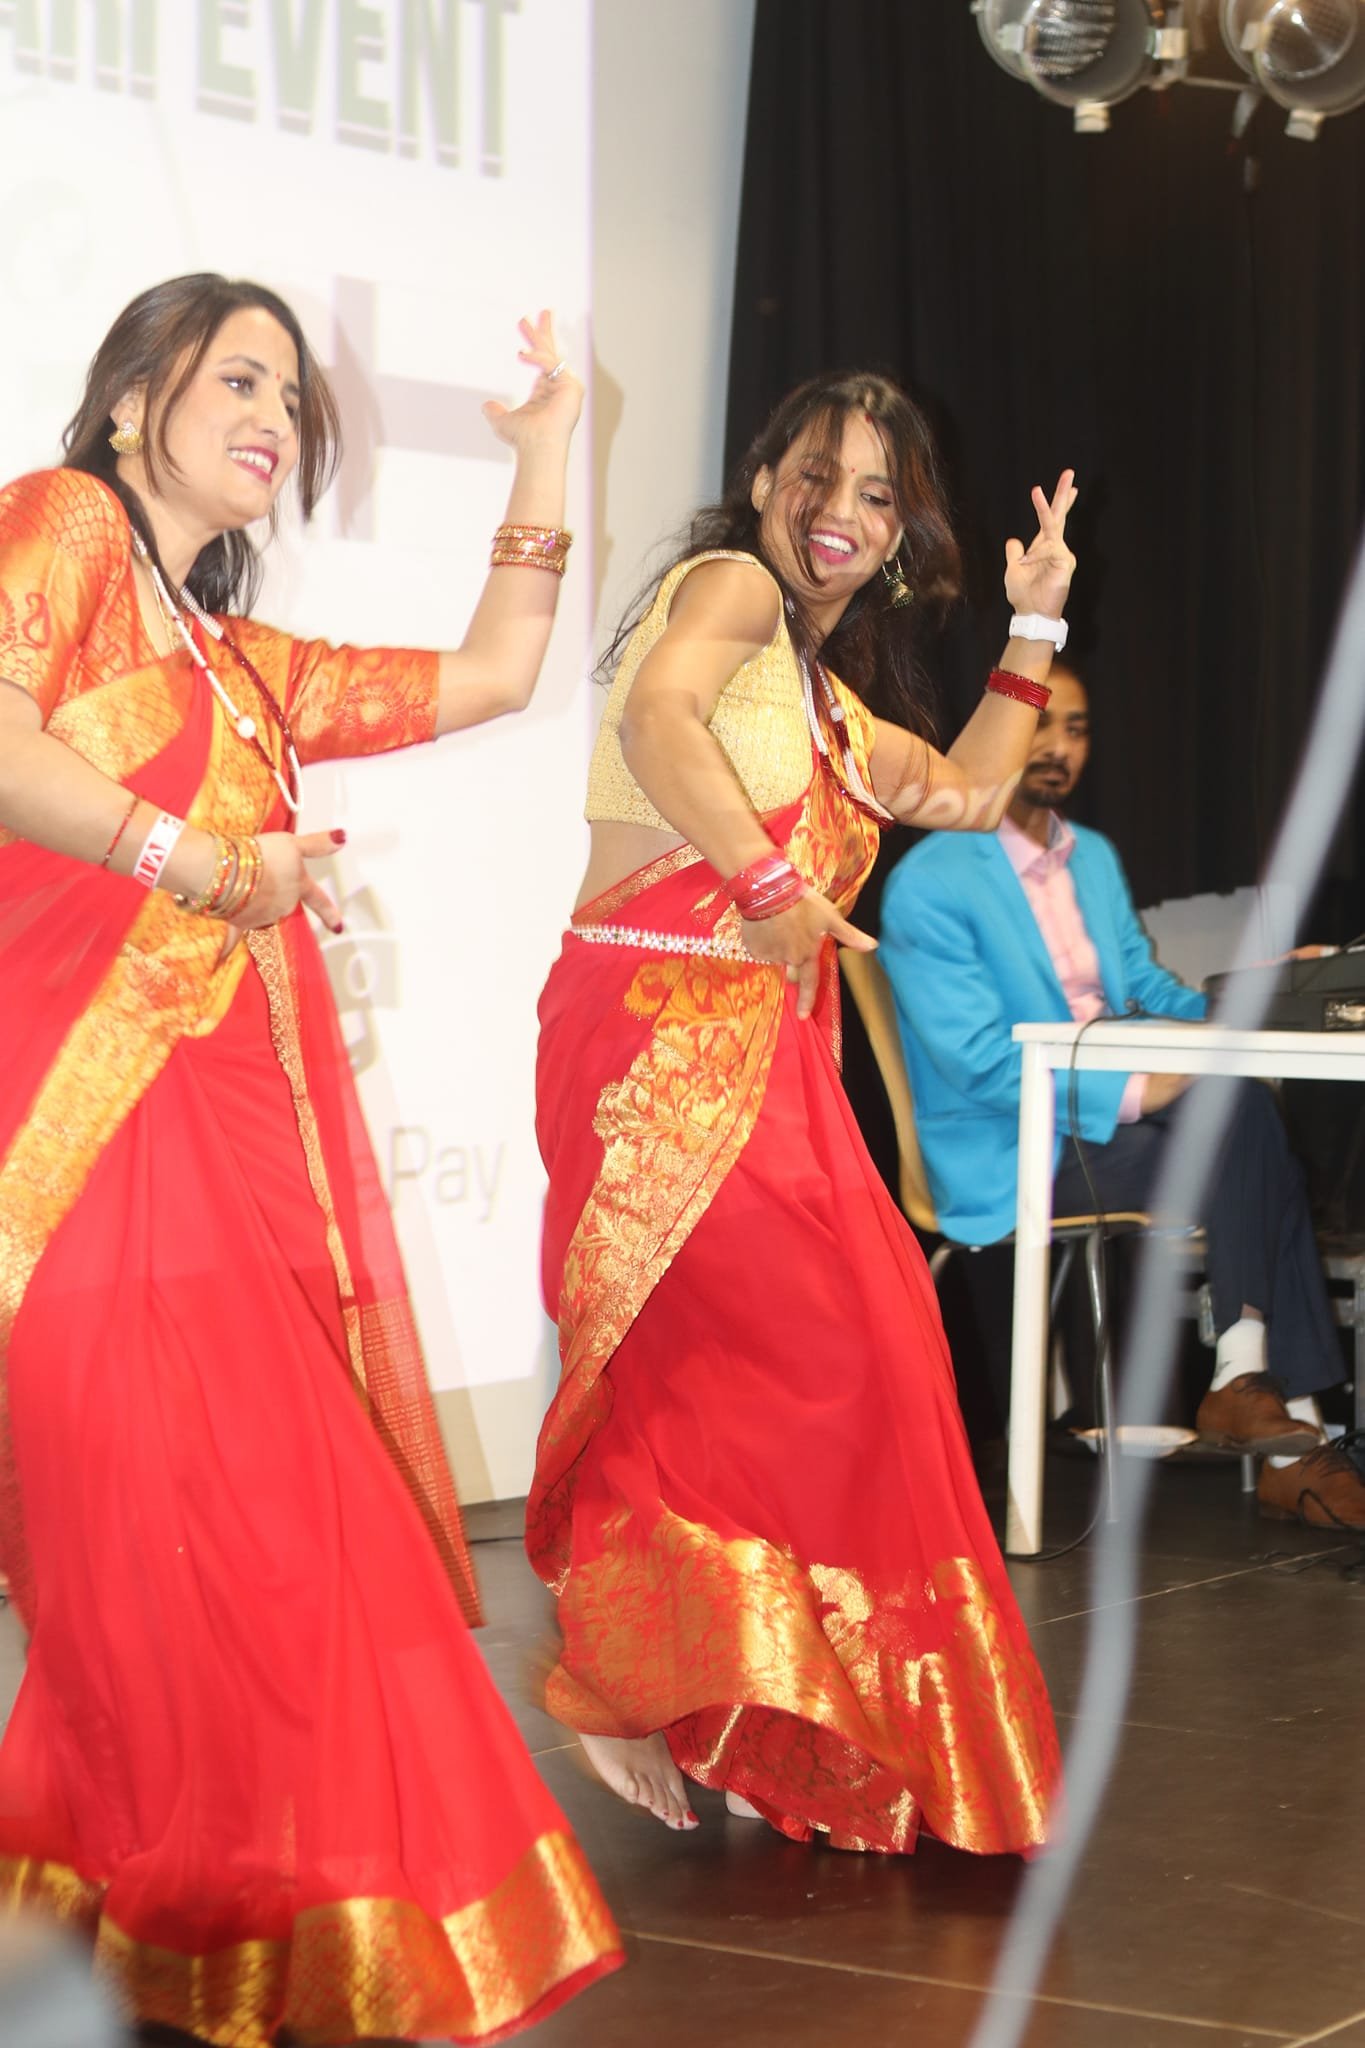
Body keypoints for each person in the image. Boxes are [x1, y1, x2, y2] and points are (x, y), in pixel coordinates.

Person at [0, 275, 622, 2044]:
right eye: (239, 379)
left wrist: (547, 449)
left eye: (291, 393)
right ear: (135, 399)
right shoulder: (59, 526)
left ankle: (217, 1922)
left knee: (246, 1533)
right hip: (83, 1140)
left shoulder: (242, 665)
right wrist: (204, 864)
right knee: (164, 1538)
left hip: (229, 1151)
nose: (274, 414)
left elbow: (494, 673)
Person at [527, 370, 1071, 1848]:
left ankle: (717, 1692)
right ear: (764, 481)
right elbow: (660, 717)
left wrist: (1032, 627)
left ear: (900, 534)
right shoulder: (730, 590)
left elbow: (965, 792)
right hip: (654, 1029)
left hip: (762, 1051)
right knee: (792, 1350)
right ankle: (629, 1679)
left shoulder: (830, 709)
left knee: (811, 1359)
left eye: (877, 495)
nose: (840, 513)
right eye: (817, 477)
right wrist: (767, 881)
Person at [881, 664, 1365, 1529]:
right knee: (1246, 1133)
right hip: (1008, 1142)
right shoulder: (931, 880)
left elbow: (1142, 988)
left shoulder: (1091, 858)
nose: (1058, 746)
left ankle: (1247, 1385)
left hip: (1105, 1121)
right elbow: (980, 1064)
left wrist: (1261, 993)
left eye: (1075, 728)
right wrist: (1144, 1089)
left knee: (1243, 1116)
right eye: (1039, 723)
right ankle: (1289, 1439)